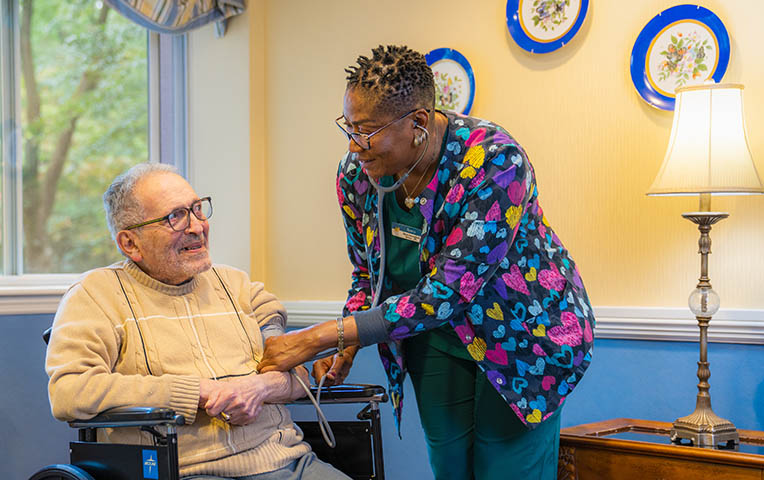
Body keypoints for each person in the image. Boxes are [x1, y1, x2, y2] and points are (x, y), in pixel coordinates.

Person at [258, 45, 595, 480]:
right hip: (432, 334)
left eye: (366, 130)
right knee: (450, 465)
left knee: (507, 467)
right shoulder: (358, 175)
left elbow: (449, 290)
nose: (353, 145)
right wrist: (349, 339)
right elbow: (368, 272)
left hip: (523, 334)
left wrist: (316, 338)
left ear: (417, 122)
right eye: (349, 127)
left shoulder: (493, 160)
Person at [45, 163, 350, 480]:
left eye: (197, 210)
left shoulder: (239, 287)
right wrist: (197, 392)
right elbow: (71, 391)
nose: (196, 227)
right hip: (185, 471)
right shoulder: (96, 294)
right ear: (129, 243)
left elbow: (294, 369)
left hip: (287, 462)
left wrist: (259, 387)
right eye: (175, 217)